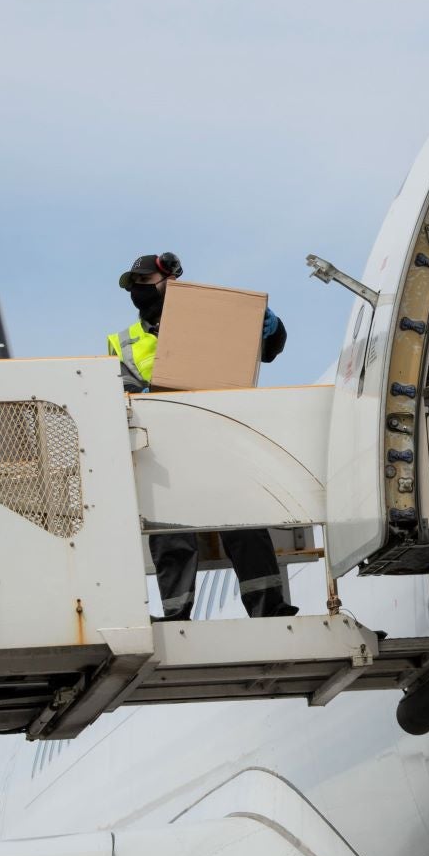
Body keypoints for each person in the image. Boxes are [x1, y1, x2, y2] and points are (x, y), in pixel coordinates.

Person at [108, 252, 296, 620]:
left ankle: (268, 609)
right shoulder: (124, 342)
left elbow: (269, 350)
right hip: (163, 448)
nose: (138, 292)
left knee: (244, 526)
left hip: (215, 438)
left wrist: (271, 326)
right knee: (170, 536)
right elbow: (118, 393)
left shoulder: (212, 318)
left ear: (171, 281)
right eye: (134, 286)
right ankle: (177, 613)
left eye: (145, 283)